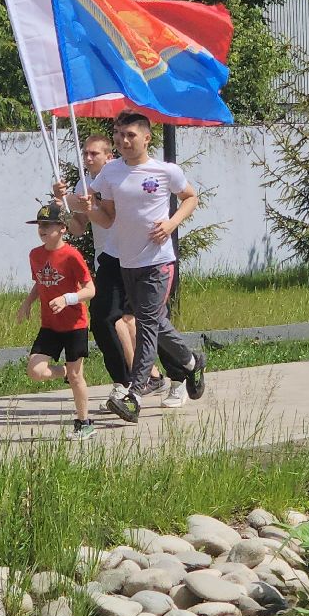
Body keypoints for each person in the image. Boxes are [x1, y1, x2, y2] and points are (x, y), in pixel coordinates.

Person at [60, 133, 199, 412]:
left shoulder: (123, 176)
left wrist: (169, 225)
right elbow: (78, 226)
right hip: (109, 259)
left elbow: (118, 218)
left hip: (139, 257)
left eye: (93, 154)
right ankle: (130, 382)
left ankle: (176, 376)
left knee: (146, 320)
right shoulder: (84, 185)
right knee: (104, 320)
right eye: (85, 153)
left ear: (108, 157)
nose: (87, 159)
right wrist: (64, 204)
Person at [88, 110, 206, 423]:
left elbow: (191, 198)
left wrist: (170, 224)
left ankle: (135, 394)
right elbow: (108, 218)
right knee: (153, 321)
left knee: (147, 325)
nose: (124, 141)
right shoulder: (111, 172)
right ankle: (192, 361)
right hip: (128, 262)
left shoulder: (165, 171)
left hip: (158, 261)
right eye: (119, 135)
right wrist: (85, 208)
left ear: (146, 137)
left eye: (131, 135)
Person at [16, 203, 98, 440]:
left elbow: (90, 289)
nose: (42, 229)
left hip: (75, 325)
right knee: (35, 371)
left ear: (62, 228)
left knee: (76, 377)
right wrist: (27, 303)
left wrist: (67, 298)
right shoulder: (35, 254)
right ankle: (65, 371)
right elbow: (40, 281)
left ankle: (84, 423)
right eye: (39, 225)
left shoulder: (72, 255)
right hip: (50, 325)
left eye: (47, 225)